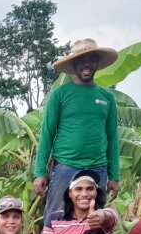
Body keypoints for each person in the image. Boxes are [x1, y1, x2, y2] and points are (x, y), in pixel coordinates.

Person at [33, 38, 121, 219]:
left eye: (91, 60)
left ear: (97, 63)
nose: (86, 65)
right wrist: (40, 173)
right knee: (55, 218)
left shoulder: (107, 97)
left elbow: (112, 138)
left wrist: (114, 176)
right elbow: (47, 134)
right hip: (65, 166)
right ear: (74, 65)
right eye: (81, 60)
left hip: (98, 168)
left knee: (93, 220)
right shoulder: (60, 94)